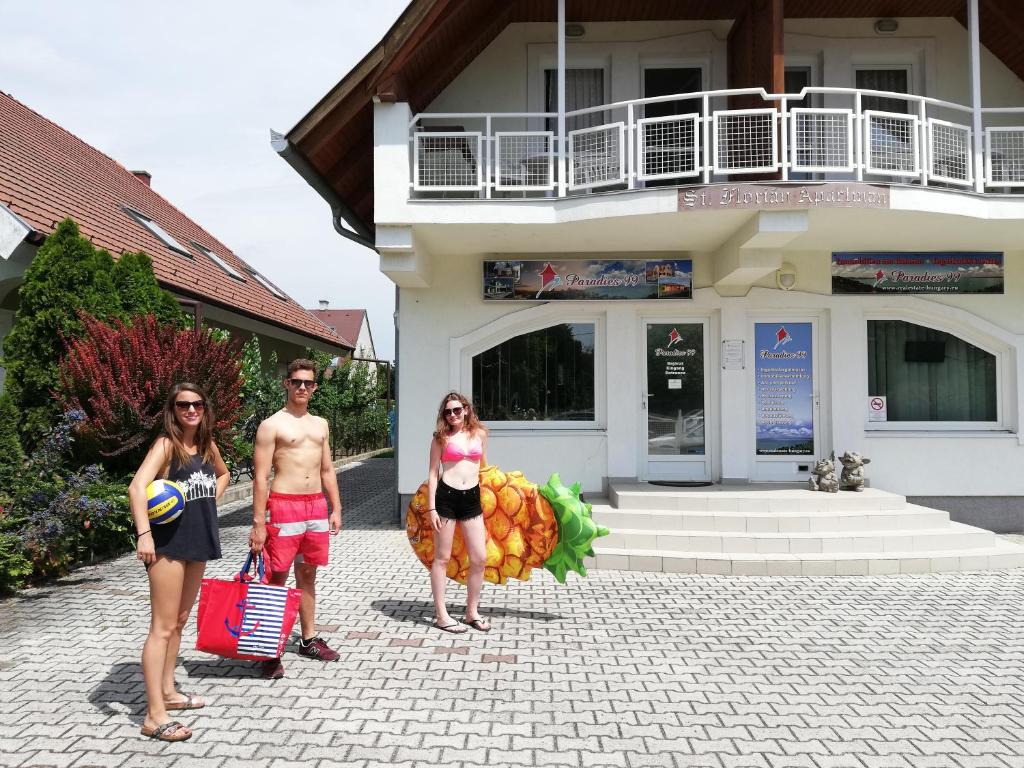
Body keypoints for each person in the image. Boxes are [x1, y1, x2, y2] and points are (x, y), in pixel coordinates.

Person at [129, 383, 229, 742]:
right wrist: (144, 534)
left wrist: (207, 502)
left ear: (205, 408)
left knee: (181, 620)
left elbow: (224, 474)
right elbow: (137, 487)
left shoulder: (205, 445)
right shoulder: (166, 445)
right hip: (167, 545)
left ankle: (169, 692)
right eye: (183, 405)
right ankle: (154, 716)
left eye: (197, 404)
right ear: (172, 410)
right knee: (162, 626)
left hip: (198, 541)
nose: (191, 410)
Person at [249, 359, 342, 679]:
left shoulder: (321, 424)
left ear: (315, 388)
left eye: (309, 383)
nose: (303, 387)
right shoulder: (271, 425)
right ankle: (266, 650)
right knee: (276, 578)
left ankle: (308, 639)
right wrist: (258, 522)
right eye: (297, 382)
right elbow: (260, 477)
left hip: (315, 506)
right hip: (284, 506)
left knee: (308, 576)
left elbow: (327, 469)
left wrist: (336, 507)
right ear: (286, 384)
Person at [426, 391, 490, 634]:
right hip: (446, 499)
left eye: (456, 410)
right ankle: (441, 615)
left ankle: (471, 611)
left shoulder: (480, 434)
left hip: (472, 498)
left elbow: (484, 469)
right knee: (442, 558)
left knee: (479, 558)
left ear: (465, 410)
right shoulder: (440, 438)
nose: (452, 415)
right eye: (447, 411)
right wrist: (432, 507)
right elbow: (433, 473)